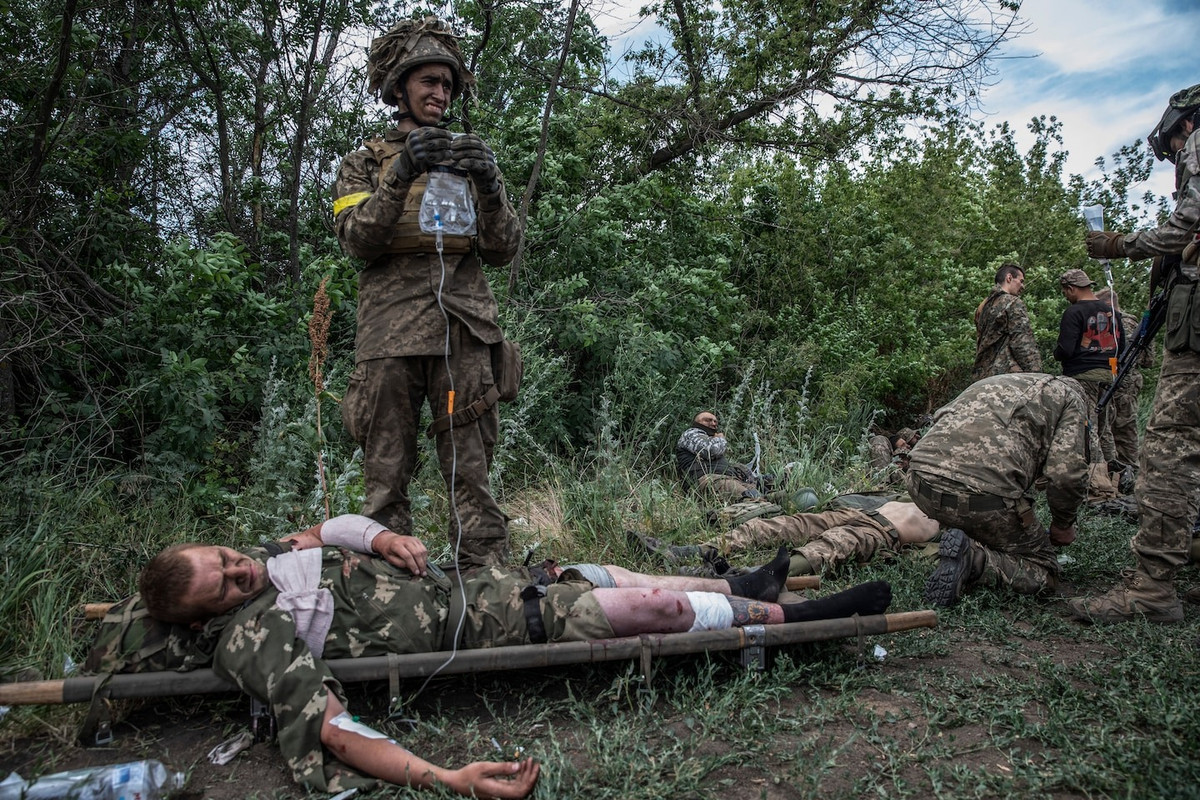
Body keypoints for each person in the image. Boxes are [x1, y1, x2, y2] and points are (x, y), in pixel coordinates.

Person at [138, 515, 892, 795]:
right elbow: (330, 727)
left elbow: (327, 528)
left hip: (481, 582)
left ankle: (741, 585)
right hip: (488, 627)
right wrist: (447, 778)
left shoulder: (265, 556)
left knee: (613, 574)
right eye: (226, 586)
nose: (243, 571)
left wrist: (380, 537)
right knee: (650, 608)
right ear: (212, 617)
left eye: (228, 557)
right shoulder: (253, 639)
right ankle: (796, 617)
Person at [332, 17, 521, 569]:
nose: (439, 93)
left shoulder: (467, 163)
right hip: (391, 334)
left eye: (447, 84)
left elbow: (503, 247)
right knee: (386, 472)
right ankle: (389, 583)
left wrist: (489, 184)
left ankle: (482, 579)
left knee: (471, 467)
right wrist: (402, 171)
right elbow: (359, 241)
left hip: (463, 331)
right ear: (399, 88)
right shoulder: (365, 163)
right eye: (428, 82)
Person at [1072, 82, 1200, 624]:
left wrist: (1121, 245)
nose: (1175, 159)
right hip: (1119, 369)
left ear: (1182, 127)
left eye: (1172, 149)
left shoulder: (1197, 139)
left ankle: (1152, 588)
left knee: (1170, 444)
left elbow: (1189, 220)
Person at [902, 373, 1091, 607]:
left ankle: (960, 532)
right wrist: (1063, 524)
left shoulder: (996, 382)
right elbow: (1066, 474)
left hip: (920, 482)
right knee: (1044, 571)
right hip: (982, 500)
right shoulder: (1072, 399)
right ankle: (975, 560)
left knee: (971, 508)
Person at [631, 496, 941, 578]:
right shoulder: (915, 487)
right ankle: (688, 551)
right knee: (779, 525)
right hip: (858, 513)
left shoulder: (967, 518)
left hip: (880, 532)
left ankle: (746, 576)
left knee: (831, 546)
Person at [1053, 267, 1125, 501]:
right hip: (1109, 375)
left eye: (1066, 291)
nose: (1066, 295)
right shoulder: (1113, 313)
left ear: (1072, 288)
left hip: (1082, 375)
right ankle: (1118, 477)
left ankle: (1099, 486)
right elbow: (1121, 346)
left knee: (1088, 429)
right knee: (1104, 429)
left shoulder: (1074, 312)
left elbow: (1066, 349)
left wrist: (1057, 355)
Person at [1094, 286, 1150, 493]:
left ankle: (1129, 476)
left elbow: (1140, 358)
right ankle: (1118, 474)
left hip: (1124, 382)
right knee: (1111, 426)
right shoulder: (1123, 321)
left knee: (1124, 428)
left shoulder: (1124, 322)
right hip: (1116, 380)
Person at [676, 410, 766, 503]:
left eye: (715, 421)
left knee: (769, 499)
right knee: (755, 502)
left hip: (728, 480)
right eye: (708, 420)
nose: (713, 423)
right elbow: (711, 451)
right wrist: (720, 438)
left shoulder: (711, 439)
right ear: (696, 423)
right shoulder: (691, 433)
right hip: (711, 479)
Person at [972, 262, 1042, 380]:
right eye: (1021, 281)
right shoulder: (1012, 303)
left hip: (982, 376)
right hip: (1007, 377)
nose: (1023, 286)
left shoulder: (983, 306)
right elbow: (1022, 342)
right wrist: (1037, 374)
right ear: (1009, 278)